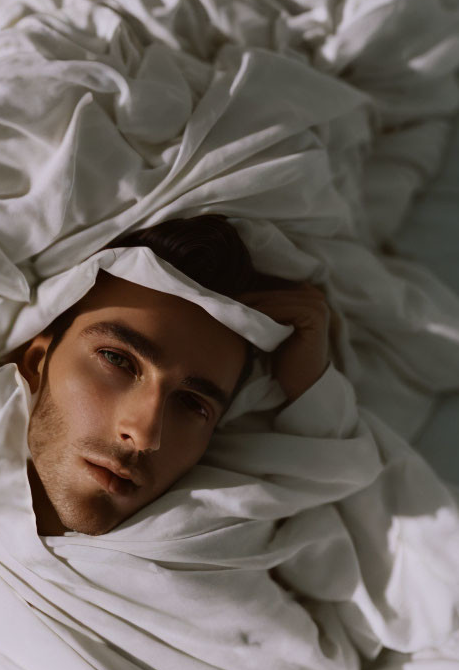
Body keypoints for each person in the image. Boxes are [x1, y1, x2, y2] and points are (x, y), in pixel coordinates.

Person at [17, 215, 333, 537]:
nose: (144, 435)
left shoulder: (232, 552)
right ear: (36, 361)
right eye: (117, 360)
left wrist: (308, 388)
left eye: (191, 403)